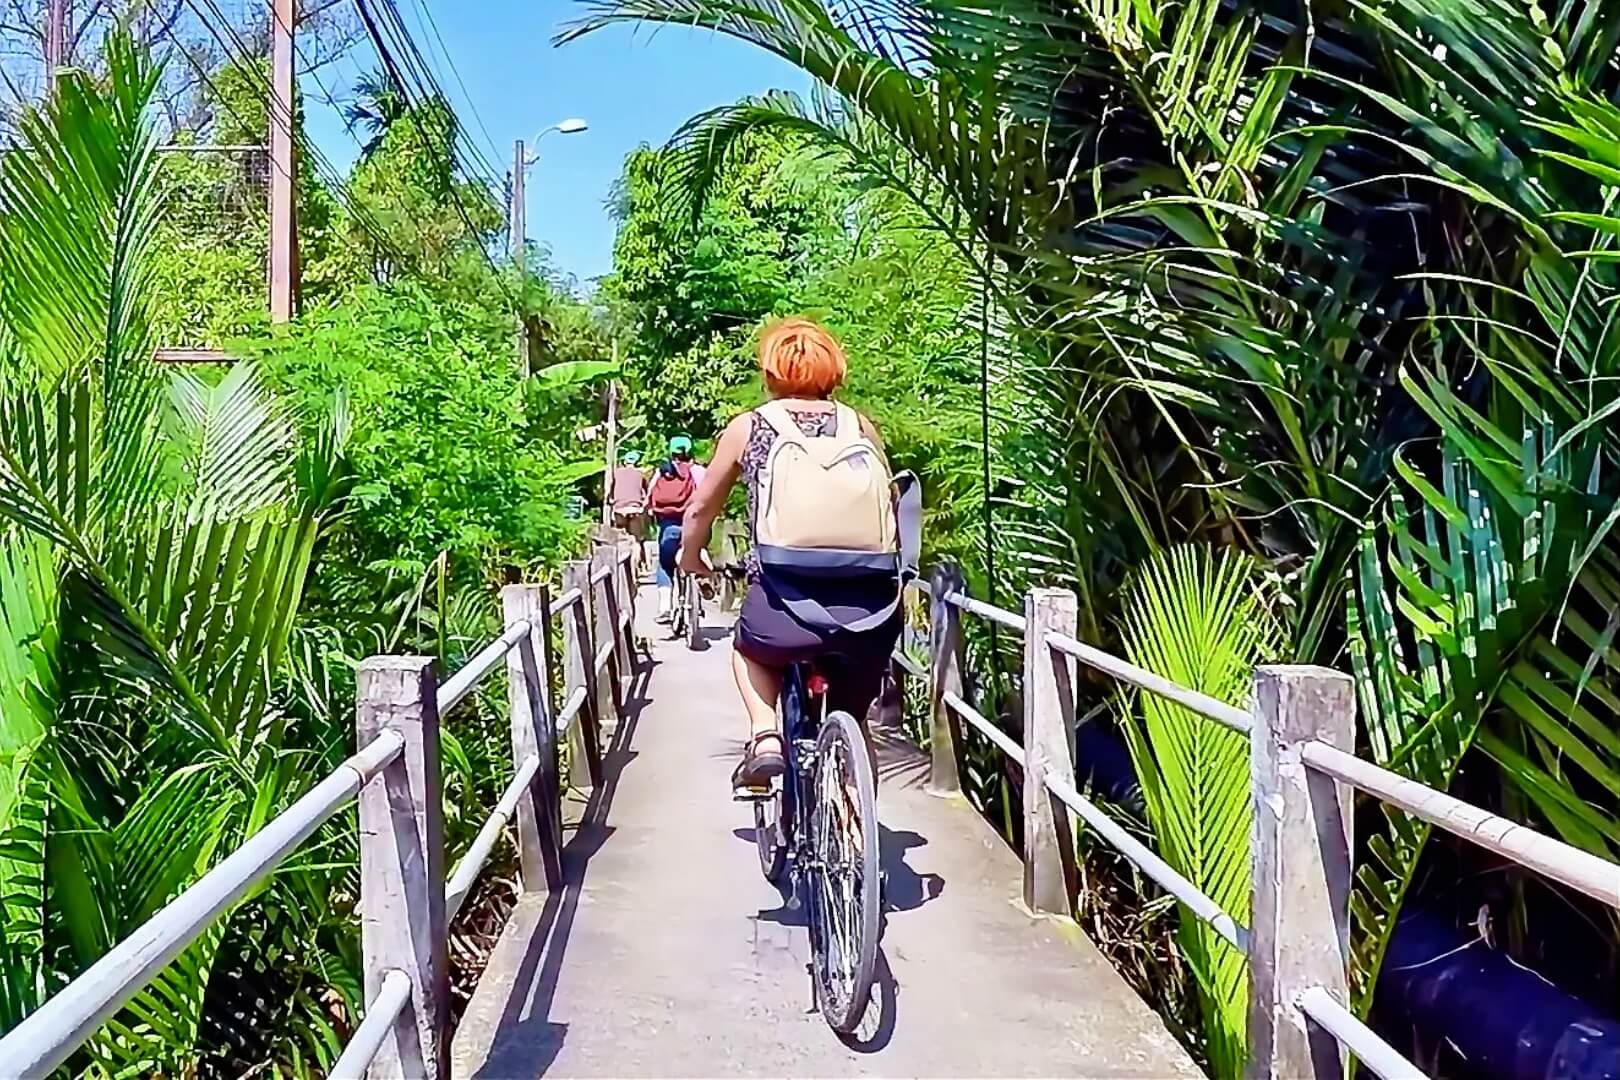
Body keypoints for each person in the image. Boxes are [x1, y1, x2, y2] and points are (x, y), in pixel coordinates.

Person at [679, 317, 916, 791]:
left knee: (749, 652)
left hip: (782, 599)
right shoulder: (860, 426)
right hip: (868, 608)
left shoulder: (750, 427)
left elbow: (701, 508)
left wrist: (691, 556)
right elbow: (890, 507)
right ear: (835, 373)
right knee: (854, 713)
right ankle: (853, 816)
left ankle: (764, 737)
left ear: (769, 375)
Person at [648, 434, 700, 622]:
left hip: (669, 526)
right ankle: (703, 582)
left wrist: (648, 509)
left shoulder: (662, 472)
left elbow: (649, 497)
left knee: (664, 563)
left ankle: (664, 607)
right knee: (699, 551)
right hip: (694, 526)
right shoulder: (697, 471)